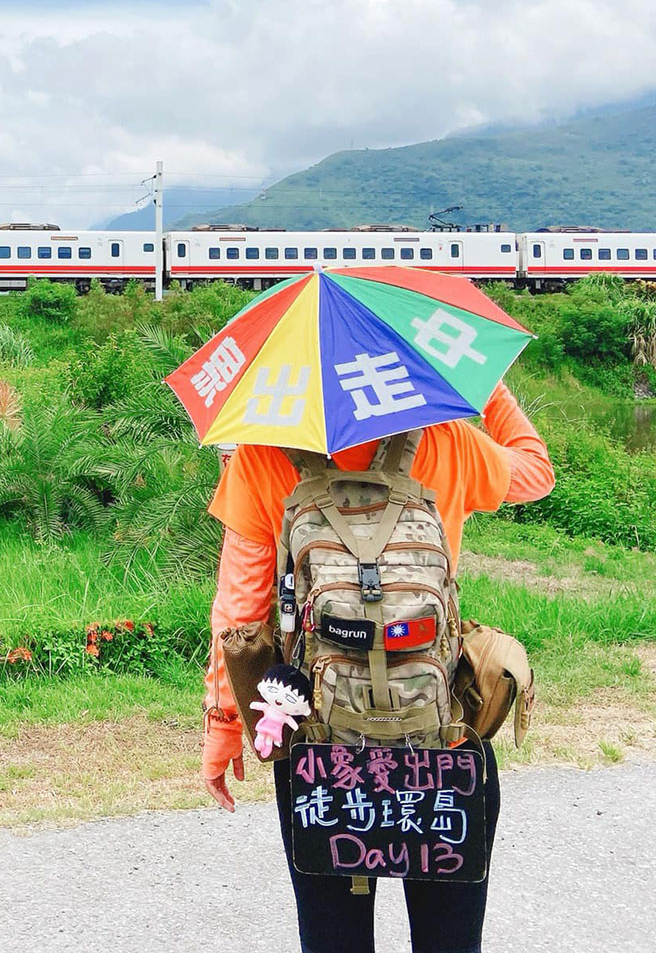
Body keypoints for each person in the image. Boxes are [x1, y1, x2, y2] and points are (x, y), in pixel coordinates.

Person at [201, 380, 555, 953]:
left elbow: (239, 609)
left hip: (318, 740)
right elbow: (537, 473)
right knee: (449, 943)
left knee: (333, 941)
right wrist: (487, 389)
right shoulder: (449, 437)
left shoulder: (260, 451)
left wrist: (222, 726)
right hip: (442, 737)